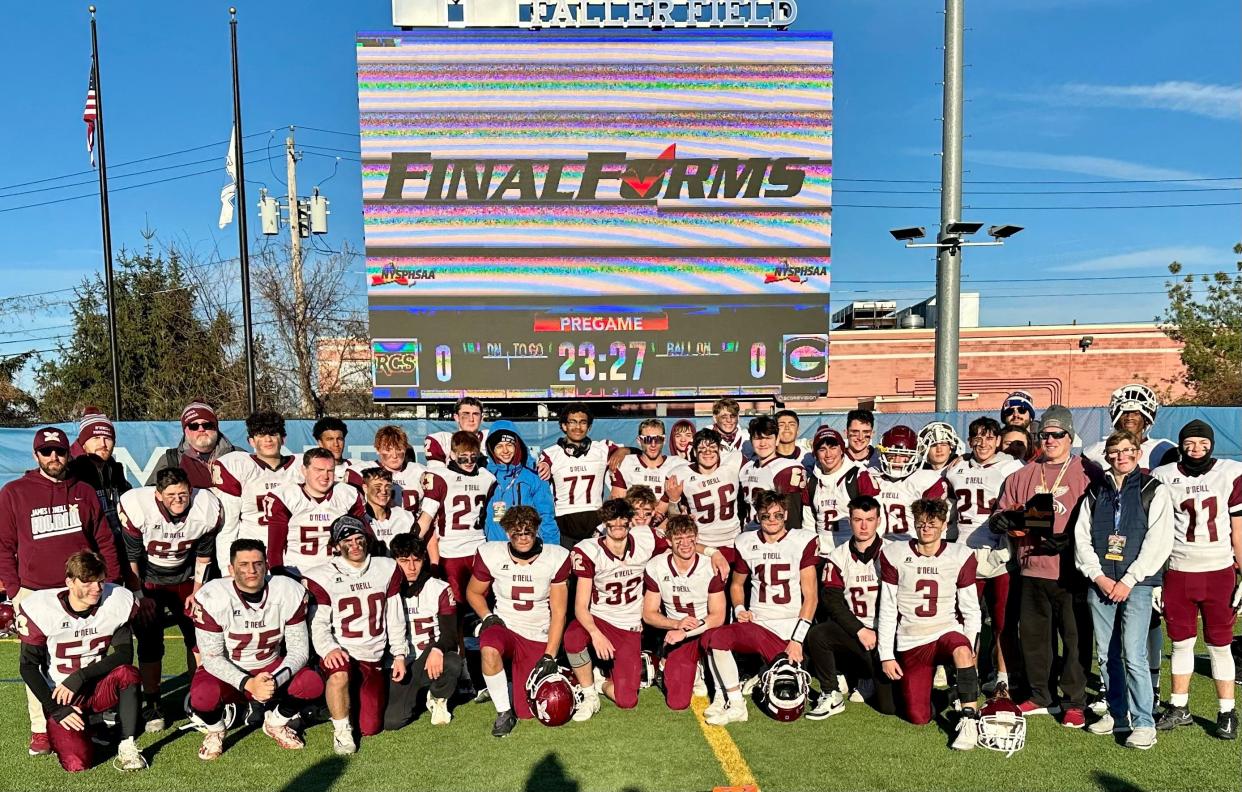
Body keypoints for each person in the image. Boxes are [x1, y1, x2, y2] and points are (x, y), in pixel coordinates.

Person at [0, 426, 120, 756]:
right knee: (36, 661)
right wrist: (15, 591)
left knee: (88, 653)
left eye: (60, 451)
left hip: (82, 588)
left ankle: (92, 716)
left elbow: (104, 539)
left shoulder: (83, 489)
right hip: (36, 593)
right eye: (46, 451)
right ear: (36, 454)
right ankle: (40, 728)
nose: (54, 457)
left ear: (70, 453)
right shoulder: (14, 492)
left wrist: (111, 581)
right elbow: (3, 546)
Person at [990, 405, 1103, 727]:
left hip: (1072, 572)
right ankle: (1040, 694)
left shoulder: (1088, 471)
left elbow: (1103, 519)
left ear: (1070, 437)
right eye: (1045, 435)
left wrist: (1072, 543)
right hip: (1031, 567)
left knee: (1075, 638)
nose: (1050, 440)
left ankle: (1074, 700)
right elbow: (999, 515)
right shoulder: (1023, 474)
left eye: (1058, 434)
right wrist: (1010, 522)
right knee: (1036, 639)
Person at [1074, 430, 1173, 749]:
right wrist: (1099, 577)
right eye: (1115, 451)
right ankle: (1118, 714)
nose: (1121, 456)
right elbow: (1082, 539)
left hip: (1138, 586)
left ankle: (1144, 721)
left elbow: (1159, 542)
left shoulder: (1153, 490)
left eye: (1128, 450)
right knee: (1105, 655)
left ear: (1138, 453)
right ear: (1108, 455)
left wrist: (1129, 579)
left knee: (1133, 653)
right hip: (1101, 583)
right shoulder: (1095, 491)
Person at [186, 538, 324, 759]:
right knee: (201, 696)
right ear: (231, 569)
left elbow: (299, 651)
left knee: (312, 683)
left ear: (266, 564)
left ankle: (276, 723)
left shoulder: (287, 590)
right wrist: (248, 683)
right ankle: (215, 731)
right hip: (231, 668)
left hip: (270, 665)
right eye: (243, 564)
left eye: (257, 563)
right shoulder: (213, 596)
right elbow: (211, 657)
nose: (251, 570)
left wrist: (273, 681)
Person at [1152, 420, 1242, 740]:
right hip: (1178, 570)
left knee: (1220, 645)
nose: (1196, 449)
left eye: (1202, 443)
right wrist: (1155, 577)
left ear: (1211, 445)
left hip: (1218, 570)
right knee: (1181, 643)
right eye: (1189, 443)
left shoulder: (1230, 472)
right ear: (1181, 445)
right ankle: (1180, 706)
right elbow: (1156, 529)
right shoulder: (1164, 476)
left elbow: (1238, 527)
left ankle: (1227, 711)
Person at [17, 550, 145, 772]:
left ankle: (127, 744)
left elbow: (124, 654)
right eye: (87, 582)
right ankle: (87, 726)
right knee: (77, 764)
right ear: (69, 582)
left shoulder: (115, 601)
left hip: (96, 688)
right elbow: (28, 667)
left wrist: (80, 676)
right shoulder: (42, 608)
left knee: (128, 672)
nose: (96, 589)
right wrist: (56, 709)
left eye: (101, 581)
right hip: (63, 696)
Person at [118, 468, 222, 731]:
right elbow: (131, 559)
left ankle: (198, 695)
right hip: (150, 581)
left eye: (183, 494)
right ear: (158, 495)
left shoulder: (205, 506)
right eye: (172, 494)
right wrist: (140, 595)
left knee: (199, 638)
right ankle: (153, 702)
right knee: (150, 644)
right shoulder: (138, 506)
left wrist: (198, 590)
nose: (179, 499)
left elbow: (204, 553)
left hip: (186, 579)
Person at [703, 490, 818, 725]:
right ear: (757, 516)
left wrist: (797, 640)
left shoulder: (801, 540)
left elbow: (812, 597)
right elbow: (737, 585)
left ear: (786, 514)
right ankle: (726, 698)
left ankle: (741, 696)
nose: (772, 520)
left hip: (789, 628)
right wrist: (739, 608)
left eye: (777, 515)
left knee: (786, 692)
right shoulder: (746, 541)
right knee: (711, 639)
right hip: (758, 624)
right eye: (766, 516)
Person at [878, 498, 982, 750]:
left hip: (946, 631)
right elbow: (888, 607)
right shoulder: (895, 553)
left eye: (932, 524)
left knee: (961, 648)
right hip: (912, 639)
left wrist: (971, 650)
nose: (926, 528)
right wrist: (886, 655)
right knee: (918, 716)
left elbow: (971, 608)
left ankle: (969, 720)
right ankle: (951, 694)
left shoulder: (960, 555)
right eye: (921, 523)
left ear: (944, 525)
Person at [304, 516, 408, 754]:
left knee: (370, 727)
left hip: (373, 656)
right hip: (343, 653)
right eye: (348, 540)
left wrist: (399, 653)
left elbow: (394, 615)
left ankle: (330, 706)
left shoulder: (386, 567)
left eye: (359, 539)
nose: (355, 544)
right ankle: (341, 731)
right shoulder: (322, 574)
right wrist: (328, 649)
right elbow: (318, 622)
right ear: (337, 545)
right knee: (339, 675)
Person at [466, 505, 571, 737]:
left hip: (536, 633)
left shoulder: (555, 557)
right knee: (489, 647)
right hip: (505, 627)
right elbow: (473, 592)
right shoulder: (492, 553)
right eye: (517, 533)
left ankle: (506, 684)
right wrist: (488, 617)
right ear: (506, 533)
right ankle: (503, 712)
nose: (523, 538)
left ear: (536, 530)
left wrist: (549, 655)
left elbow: (559, 612)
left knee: (527, 711)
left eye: (528, 532)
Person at [564, 499, 669, 720]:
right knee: (573, 637)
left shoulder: (645, 538)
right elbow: (580, 607)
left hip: (628, 623)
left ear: (630, 520)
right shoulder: (589, 550)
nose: (618, 523)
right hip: (599, 617)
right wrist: (596, 634)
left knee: (627, 700)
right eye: (613, 518)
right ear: (604, 521)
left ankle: (600, 682)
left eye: (623, 517)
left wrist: (712, 552)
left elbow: (678, 544)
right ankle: (589, 694)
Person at [945, 417, 1024, 690]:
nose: (983, 443)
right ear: (969, 441)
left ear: (999, 440)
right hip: (965, 552)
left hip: (1000, 552)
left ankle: (1002, 677)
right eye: (977, 437)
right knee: (967, 618)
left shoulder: (1012, 467)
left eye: (989, 437)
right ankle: (968, 674)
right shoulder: (954, 470)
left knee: (1003, 620)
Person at [804, 496, 896, 719]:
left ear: (878, 521)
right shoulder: (838, 556)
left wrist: (884, 635)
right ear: (850, 521)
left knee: (889, 708)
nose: (863, 526)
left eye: (869, 519)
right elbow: (832, 601)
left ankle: (868, 674)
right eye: (857, 519)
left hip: (889, 634)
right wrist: (860, 630)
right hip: (857, 632)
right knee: (818, 634)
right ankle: (831, 693)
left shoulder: (893, 552)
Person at [642, 514, 726, 711]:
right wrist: (676, 624)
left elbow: (718, 616)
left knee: (717, 639)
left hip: (705, 630)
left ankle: (707, 666)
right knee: (677, 702)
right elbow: (649, 613)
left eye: (690, 537)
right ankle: (692, 666)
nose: (686, 544)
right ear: (669, 541)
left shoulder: (710, 566)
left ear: (696, 538)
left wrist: (686, 630)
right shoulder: (656, 565)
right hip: (679, 635)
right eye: (679, 539)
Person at [384, 533, 462, 730]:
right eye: (404, 561)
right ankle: (418, 696)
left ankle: (437, 696)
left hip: (429, 660)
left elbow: (450, 635)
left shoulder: (439, 588)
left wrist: (437, 649)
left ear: (424, 560)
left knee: (451, 660)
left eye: (416, 560)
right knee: (392, 722)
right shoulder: (383, 588)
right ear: (393, 561)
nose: (411, 567)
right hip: (399, 663)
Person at [210, 411, 301, 573]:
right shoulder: (240, 466)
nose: (267, 440)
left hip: (294, 553)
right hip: (254, 555)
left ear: (283, 439)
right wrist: (226, 568)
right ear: (251, 441)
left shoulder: (301, 468)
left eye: (273, 434)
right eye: (260, 435)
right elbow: (228, 527)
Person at [417, 432, 497, 598]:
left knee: (482, 600)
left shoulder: (487, 477)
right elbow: (426, 518)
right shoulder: (440, 477)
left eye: (473, 457)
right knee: (456, 604)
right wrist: (413, 543)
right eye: (463, 457)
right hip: (451, 550)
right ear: (452, 455)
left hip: (479, 547)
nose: (468, 462)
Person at [265, 448, 366, 579]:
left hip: (338, 574)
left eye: (330, 471)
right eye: (318, 470)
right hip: (297, 573)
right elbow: (274, 550)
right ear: (304, 470)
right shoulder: (285, 497)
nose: (325, 476)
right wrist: (280, 580)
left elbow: (361, 541)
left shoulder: (348, 494)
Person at [539, 403, 618, 549]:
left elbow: (632, 453)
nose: (578, 427)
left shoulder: (602, 448)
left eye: (583, 422)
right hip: (564, 521)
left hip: (595, 520)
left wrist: (622, 451)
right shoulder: (550, 454)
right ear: (563, 426)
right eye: (572, 422)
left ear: (589, 427)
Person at [663, 429, 743, 563]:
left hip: (733, 541)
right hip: (702, 544)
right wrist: (674, 500)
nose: (707, 452)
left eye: (712, 447)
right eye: (702, 448)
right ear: (694, 452)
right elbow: (672, 517)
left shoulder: (733, 462)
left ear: (719, 450)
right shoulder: (681, 474)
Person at [857, 425, 946, 540]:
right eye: (892, 455)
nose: (897, 460)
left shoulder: (926, 480)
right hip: (877, 545)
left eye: (903, 455)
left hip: (912, 546)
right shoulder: (871, 476)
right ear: (883, 454)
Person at [480, 421, 558, 544]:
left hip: (526, 548)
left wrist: (552, 549)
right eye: (499, 446)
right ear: (491, 449)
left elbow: (546, 516)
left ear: (517, 445)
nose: (505, 450)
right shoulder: (485, 476)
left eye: (509, 445)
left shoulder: (534, 477)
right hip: (494, 547)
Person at [67, 407, 131, 542]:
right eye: (95, 437)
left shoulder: (114, 468)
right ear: (83, 442)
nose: (102, 444)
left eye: (107, 438)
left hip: (116, 544)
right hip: (86, 551)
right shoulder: (69, 470)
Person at [738, 416, 811, 531]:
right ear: (751, 441)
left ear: (777, 440)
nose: (763, 443)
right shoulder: (746, 468)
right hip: (750, 535)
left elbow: (792, 516)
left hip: (775, 536)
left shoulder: (787, 468)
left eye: (768, 438)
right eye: (757, 438)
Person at [1084, 384, 1177, 471]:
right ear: (1115, 417)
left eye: (1136, 413)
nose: (1129, 418)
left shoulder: (1163, 449)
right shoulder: (1094, 450)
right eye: (1124, 413)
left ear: (1147, 418)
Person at [146, 401, 239, 489]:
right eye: (193, 426)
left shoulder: (239, 455)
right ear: (185, 431)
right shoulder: (170, 460)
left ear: (216, 427)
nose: (201, 429)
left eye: (207, 425)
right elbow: (151, 498)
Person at [807, 427, 860, 556]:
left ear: (842, 449)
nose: (828, 454)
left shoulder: (858, 476)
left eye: (833, 448)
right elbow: (808, 523)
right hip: (822, 554)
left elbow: (873, 518)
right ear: (816, 453)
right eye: (822, 449)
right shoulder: (811, 482)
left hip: (851, 553)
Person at [609, 419, 688, 505]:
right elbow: (618, 506)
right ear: (639, 441)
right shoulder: (625, 464)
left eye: (658, 439)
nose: (653, 444)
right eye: (648, 439)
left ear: (664, 440)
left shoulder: (678, 464)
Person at [361, 466, 416, 555]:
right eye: (377, 487)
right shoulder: (359, 520)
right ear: (365, 488)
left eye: (388, 486)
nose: (383, 492)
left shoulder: (405, 517)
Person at [373, 425, 426, 513]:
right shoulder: (368, 472)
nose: (394, 455)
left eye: (398, 449)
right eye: (388, 449)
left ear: (405, 448)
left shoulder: (419, 471)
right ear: (377, 449)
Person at [425, 397, 488, 467]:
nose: (471, 419)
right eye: (466, 414)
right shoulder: (443, 440)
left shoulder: (490, 438)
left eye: (475, 414)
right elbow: (436, 474)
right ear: (456, 417)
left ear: (481, 418)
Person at [313, 416, 364, 488]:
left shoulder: (359, 466)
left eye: (339, 439)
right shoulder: (311, 472)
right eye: (330, 439)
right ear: (320, 443)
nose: (336, 444)